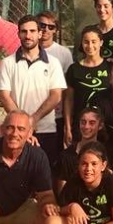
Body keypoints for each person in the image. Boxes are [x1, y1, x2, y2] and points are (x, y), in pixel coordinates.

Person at [0, 15, 67, 166]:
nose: (28, 35)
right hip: (16, 133)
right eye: (24, 31)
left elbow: (56, 96)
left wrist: (33, 120)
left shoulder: (53, 63)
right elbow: (4, 96)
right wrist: (22, 126)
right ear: (18, 34)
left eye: (32, 31)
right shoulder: (8, 63)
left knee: (45, 178)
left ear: (39, 34)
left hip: (46, 130)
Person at [63, 25, 109, 146]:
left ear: (101, 42)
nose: (90, 46)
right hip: (82, 127)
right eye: (86, 42)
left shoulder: (110, 68)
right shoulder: (74, 69)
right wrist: (68, 127)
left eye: (94, 42)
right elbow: (69, 100)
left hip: (106, 127)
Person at [37, 10, 74, 149]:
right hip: (31, 114)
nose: (46, 29)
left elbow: (67, 89)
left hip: (55, 116)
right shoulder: (25, 51)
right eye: (42, 25)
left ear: (55, 31)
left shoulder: (63, 53)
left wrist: (66, 120)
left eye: (50, 27)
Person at [54, 107, 104, 195]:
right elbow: (62, 192)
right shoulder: (66, 155)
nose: (86, 126)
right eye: (83, 122)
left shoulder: (105, 152)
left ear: (100, 126)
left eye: (92, 123)